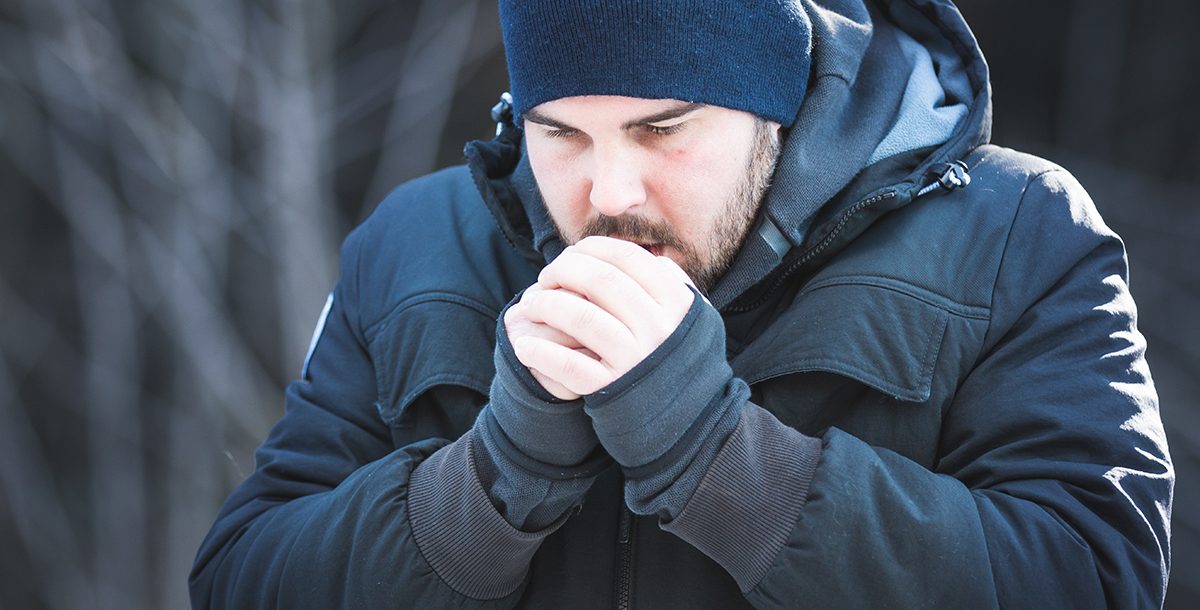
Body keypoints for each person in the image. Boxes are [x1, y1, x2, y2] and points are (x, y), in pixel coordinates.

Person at [190, 0, 1174, 607]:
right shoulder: (410, 246)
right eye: (561, 134)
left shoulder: (1017, 232)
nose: (609, 192)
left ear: (775, 105)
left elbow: (1094, 577)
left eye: (663, 129)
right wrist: (488, 482)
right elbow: (241, 577)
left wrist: (721, 459)